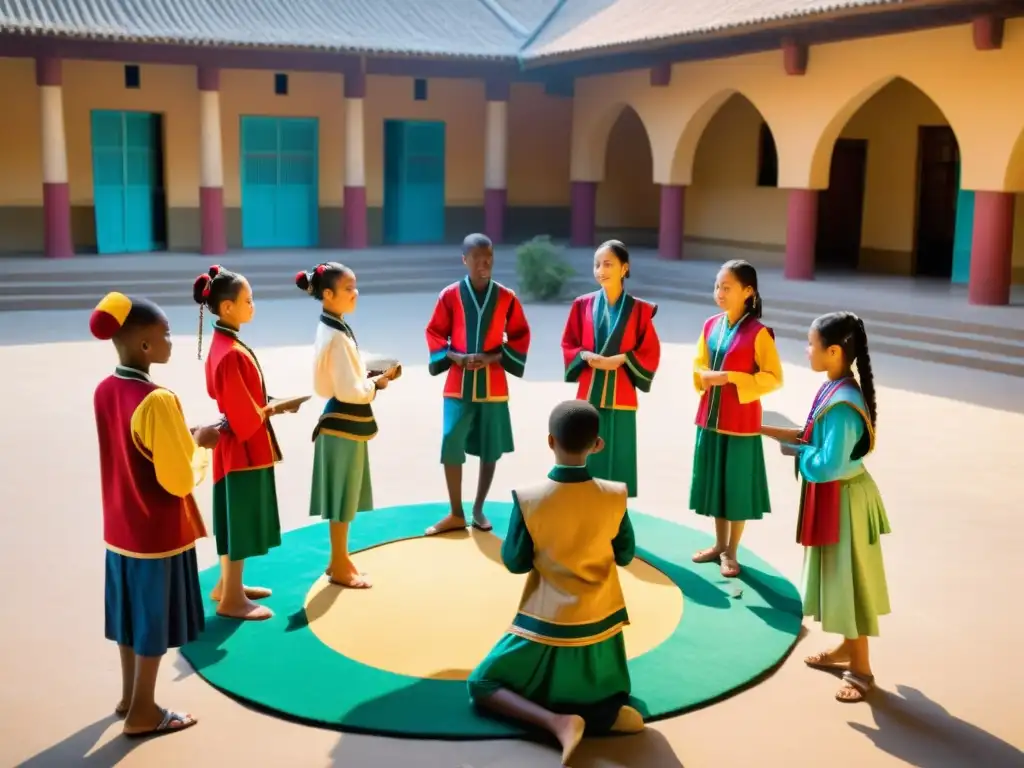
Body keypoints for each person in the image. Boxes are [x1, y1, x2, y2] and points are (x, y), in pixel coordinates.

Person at [468, 400, 644, 766]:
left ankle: (557, 721)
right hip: (602, 621)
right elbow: (625, 555)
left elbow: (514, 563)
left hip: (546, 625)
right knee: (614, 698)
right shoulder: (615, 495)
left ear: (550, 441)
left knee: (481, 684)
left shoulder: (529, 499)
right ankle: (602, 715)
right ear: (597, 444)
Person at [91, 291, 218, 737]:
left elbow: (134, 446)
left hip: (120, 527)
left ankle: (129, 697)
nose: (170, 341)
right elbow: (178, 480)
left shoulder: (106, 389)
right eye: (165, 335)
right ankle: (144, 710)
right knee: (152, 621)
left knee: (129, 616)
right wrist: (200, 445)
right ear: (144, 346)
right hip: (156, 532)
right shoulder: (159, 399)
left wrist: (182, 437)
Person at [761, 312, 890, 703]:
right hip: (840, 495)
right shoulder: (836, 386)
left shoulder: (842, 404)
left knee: (850, 583)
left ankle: (862, 669)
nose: (806, 349)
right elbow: (810, 435)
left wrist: (797, 451)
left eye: (811, 343)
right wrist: (764, 428)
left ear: (833, 352)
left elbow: (830, 464)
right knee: (840, 578)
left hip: (844, 499)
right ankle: (847, 648)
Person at [192, 265, 303, 621]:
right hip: (242, 448)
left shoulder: (223, 343)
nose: (253, 306)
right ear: (227, 308)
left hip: (233, 444)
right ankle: (232, 601)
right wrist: (277, 407)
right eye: (247, 300)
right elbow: (244, 419)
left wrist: (266, 403)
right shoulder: (232, 351)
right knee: (238, 520)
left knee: (231, 517)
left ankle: (229, 586)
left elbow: (234, 397)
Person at [297, 262, 400, 589]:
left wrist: (368, 373)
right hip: (343, 420)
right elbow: (349, 391)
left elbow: (345, 375)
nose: (355, 294)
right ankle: (340, 563)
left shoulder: (333, 325)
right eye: (348, 289)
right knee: (343, 497)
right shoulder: (336, 335)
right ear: (328, 294)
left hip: (340, 419)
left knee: (344, 495)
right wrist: (378, 383)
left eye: (355, 287)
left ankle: (338, 559)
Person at [424, 233, 531, 536]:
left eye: (489, 259)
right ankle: (456, 512)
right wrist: (454, 356)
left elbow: (521, 335)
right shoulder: (450, 295)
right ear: (464, 260)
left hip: (493, 384)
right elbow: (434, 331)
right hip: (458, 384)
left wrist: (493, 357)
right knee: (451, 440)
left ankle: (478, 508)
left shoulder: (507, 296)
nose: (484, 265)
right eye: (477, 259)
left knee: (489, 447)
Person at [690, 259, 783, 578]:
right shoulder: (710, 325)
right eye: (717, 286)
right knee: (716, 485)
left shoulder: (759, 334)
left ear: (748, 291)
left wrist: (730, 377)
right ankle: (718, 545)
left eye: (727, 287)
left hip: (741, 423)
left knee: (736, 489)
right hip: (711, 419)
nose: (719, 292)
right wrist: (703, 376)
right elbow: (699, 365)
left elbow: (773, 378)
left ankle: (732, 552)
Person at [561, 240, 660, 497]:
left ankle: (616, 521)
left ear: (624, 268)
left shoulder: (639, 310)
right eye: (597, 265)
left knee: (619, 458)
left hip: (621, 396)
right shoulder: (582, 304)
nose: (600, 270)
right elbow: (569, 342)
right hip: (589, 394)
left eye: (608, 264)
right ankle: (585, 515)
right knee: (586, 455)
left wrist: (623, 359)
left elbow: (650, 351)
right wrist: (584, 354)